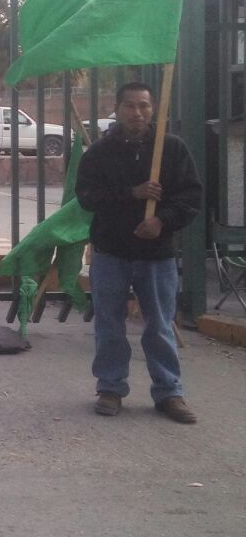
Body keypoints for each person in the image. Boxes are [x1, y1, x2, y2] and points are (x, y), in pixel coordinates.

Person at [76, 81, 202, 423]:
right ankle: (110, 387)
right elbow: (87, 196)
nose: (138, 113)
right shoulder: (99, 154)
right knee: (109, 323)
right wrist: (131, 193)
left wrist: (162, 221)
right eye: (130, 106)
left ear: (154, 109)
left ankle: (169, 392)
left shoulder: (171, 150)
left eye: (145, 106)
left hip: (156, 255)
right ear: (117, 110)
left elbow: (191, 198)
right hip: (111, 251)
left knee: (160, 324)